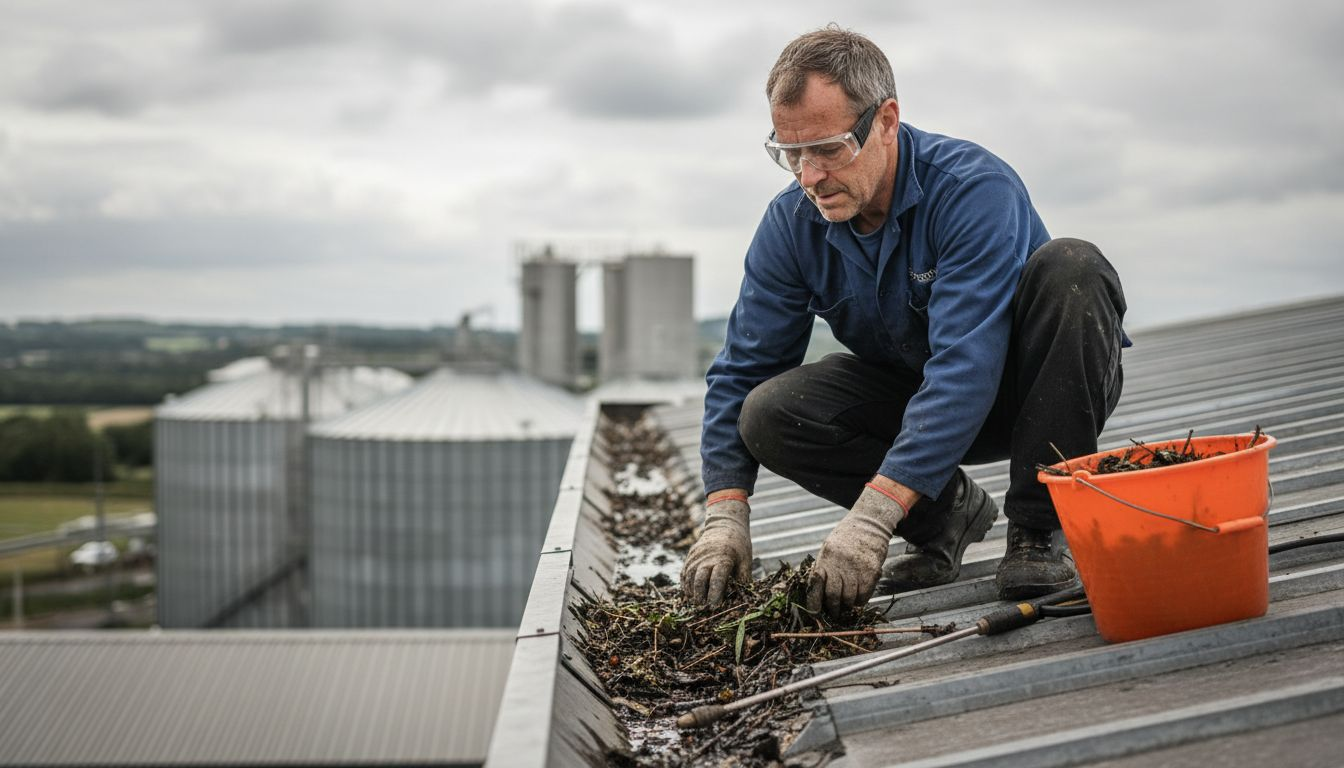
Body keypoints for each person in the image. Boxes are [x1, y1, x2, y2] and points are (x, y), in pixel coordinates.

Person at [681, 26, 1128, 618]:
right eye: (791, 154)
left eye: (829, 148)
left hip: (1032, 395)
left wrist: (871, 517)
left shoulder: (971, 191)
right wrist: (724, 514)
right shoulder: (792, 224)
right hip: (919, 397)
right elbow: (742, 369)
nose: (809, 176)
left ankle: (1037, 530)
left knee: (1073, 268)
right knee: (767, 410)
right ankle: (945, 519)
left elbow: (967, 364)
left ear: (886, 122)